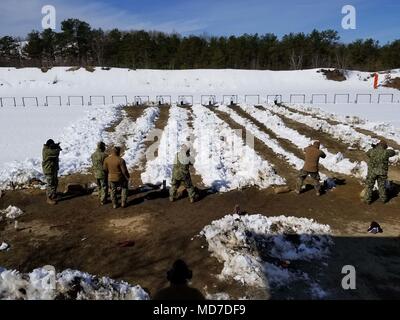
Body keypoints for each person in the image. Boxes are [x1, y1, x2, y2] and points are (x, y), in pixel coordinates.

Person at [42, 139, 61, 205]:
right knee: (50, 184)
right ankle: (49, 198)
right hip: (49, 170)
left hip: (53, 169)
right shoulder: (46, 151)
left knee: (55, 182)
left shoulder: (49, 149)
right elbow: (55, 153)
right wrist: (57, 148)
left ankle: (53, 194)